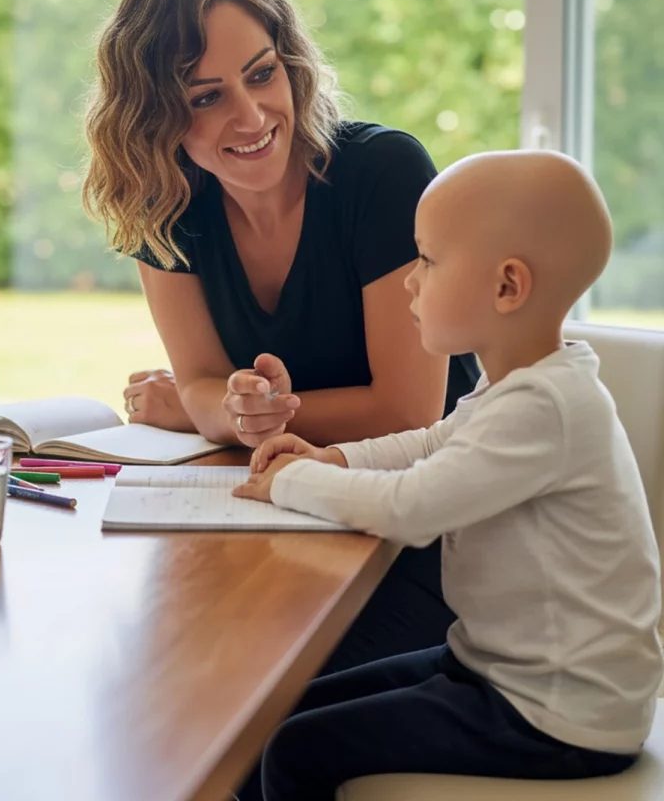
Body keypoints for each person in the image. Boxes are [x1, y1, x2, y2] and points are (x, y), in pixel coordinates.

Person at [82, 0, 479, 671]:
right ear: (155, 117)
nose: (252, 114)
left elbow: (408, 411)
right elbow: (204, 381)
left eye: (261, 74)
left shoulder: (382, 173)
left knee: (253, 677)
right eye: (205, 97)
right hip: (287, 512)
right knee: (148, 654)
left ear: (289, 65)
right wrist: (222, 409)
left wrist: (215, 410)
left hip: (430, 530)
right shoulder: (164, 207)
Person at [232, 150, 663, 800]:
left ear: (506, 287)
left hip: (556, 715)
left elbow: (412, 507)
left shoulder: (545, 406)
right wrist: (333, 458)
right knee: (274, 713)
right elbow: (438, 440)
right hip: (498, 670)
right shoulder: (522, 384)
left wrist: (289, 481)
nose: (409, 280)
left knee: (296, 749)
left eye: (427, 261)